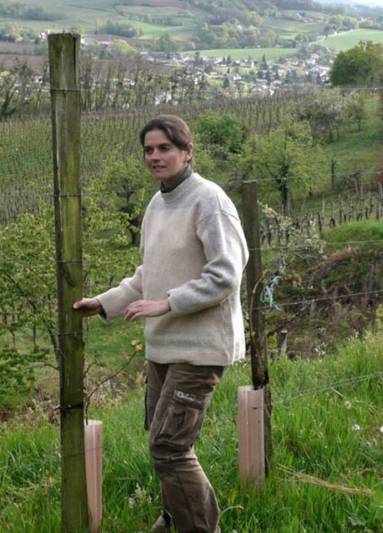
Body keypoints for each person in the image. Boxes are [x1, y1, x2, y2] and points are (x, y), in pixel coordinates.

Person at [73, 114, 249, 533]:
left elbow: (227, 273)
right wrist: (104, 303)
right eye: (148, 150)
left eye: (165, 148)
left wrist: (168, 303)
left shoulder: (209, 201)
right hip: (163, 345)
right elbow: (147, 274)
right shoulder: (157, 204)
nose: (155, 156)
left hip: (200, 348)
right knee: (162, 439)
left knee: (169, 445)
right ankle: (174, 519)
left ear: (187, 152)